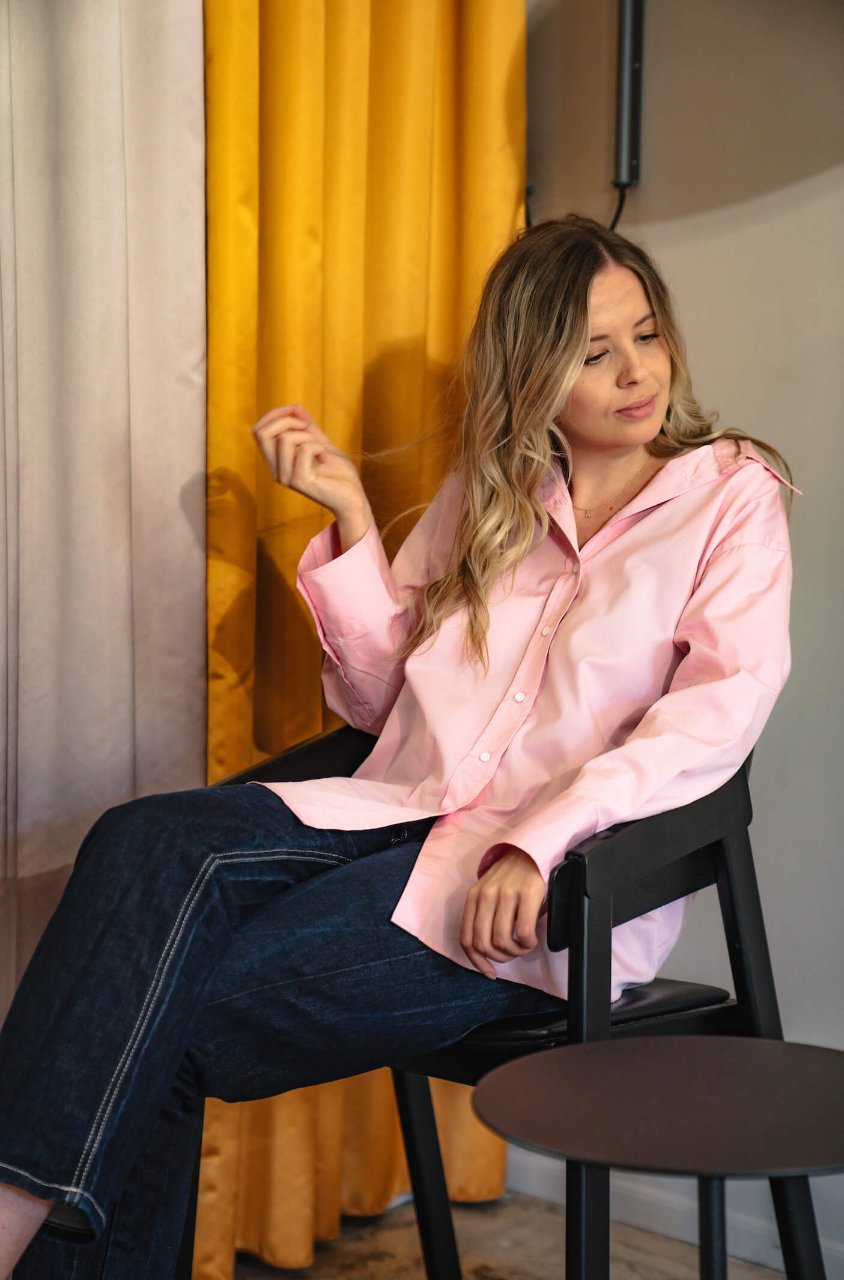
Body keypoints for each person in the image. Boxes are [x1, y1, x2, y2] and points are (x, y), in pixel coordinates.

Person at [0, 215, 794, 1278]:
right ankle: (13, 1201)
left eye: (644, 336)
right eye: (593, 354)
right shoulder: (494, 491)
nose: (634, 373)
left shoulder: (729, 495)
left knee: (155, 1012)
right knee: (139, 840)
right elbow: (388, 704)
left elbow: (714, 712)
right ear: (532, 372)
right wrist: (347, 515)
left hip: (531, 892)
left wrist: (539, 837)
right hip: (397, 807)